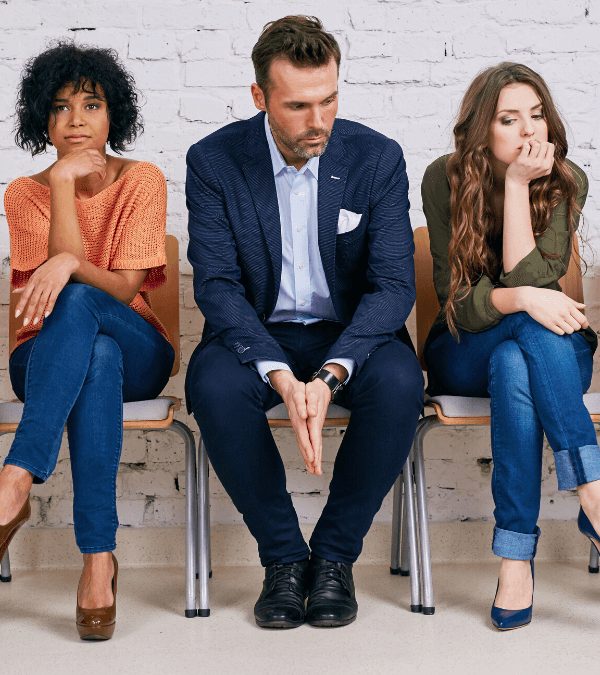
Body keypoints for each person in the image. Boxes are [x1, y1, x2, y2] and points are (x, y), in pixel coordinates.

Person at [184, 16, 424, 630]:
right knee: (211, 387)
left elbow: (395, 285)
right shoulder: (214, 160)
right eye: (297, 105)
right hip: (255, 333)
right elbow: (216, 286)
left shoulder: (376, 158)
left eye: (329, 100)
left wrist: (330, 374)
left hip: (348, 333)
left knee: (401, 384)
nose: (318, 121)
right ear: (260, 98)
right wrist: (281, 377)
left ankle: (335, 561)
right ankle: (285, 561)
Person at [421, 63, 600, 631]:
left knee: (515, 360)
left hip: (545, 350)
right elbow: (456, 303)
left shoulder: (564, 178)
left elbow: (526, 271)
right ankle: (596, 498)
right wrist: (522, 296)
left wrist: (520, 187)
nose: (528, 132)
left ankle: (514, 561)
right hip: (463, 347)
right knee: (520, 330)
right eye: (509, 119)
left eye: (537, 116)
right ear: (481, 130)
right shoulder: (443, 179)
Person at [0, 42, 173, 642]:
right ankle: (99, 562)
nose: (76, 120)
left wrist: (69, 263)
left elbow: (124, 291)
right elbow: (52, 287)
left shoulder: (142, 180)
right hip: (45, 353)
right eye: (60, 107)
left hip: (139, 347)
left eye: (92, 105)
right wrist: (61, 186)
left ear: (112, 116)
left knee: (84, 307)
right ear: (41, 121)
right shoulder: (25, 193)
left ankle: (17, 479)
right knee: (89, 351)